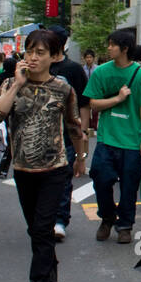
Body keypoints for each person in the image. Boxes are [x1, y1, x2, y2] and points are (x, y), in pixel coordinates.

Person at [0, 29, 86, 282]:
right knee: (37, 229)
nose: (33, 57)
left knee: (43, 227)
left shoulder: (63, 88)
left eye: (40, 52)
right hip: (23, 169)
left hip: (55, 169)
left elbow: (73, 125)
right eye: (29, 51)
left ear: (53, 57)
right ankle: (52, 279)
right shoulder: (12, 83)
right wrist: (16, 85)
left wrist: (80, 157)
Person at [83, 31, 141, 244]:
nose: (109, 48)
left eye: (113, 45)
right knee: (100, 178)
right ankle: (107, 217)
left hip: (132, 140)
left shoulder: (140, 75)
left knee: (129, 186)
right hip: (107, 138)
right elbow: (93, 103)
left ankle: (125, 225)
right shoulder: (101, 72)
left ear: (125, 49)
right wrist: (117, 98)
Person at [48, 28, 90, 241]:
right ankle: (47, 217)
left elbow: (84, 103)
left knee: (64, 177)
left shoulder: (73, 69)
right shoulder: (39, 66)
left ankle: (60, 220)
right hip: (42, 135)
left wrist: (82, 131)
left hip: (67, 133)